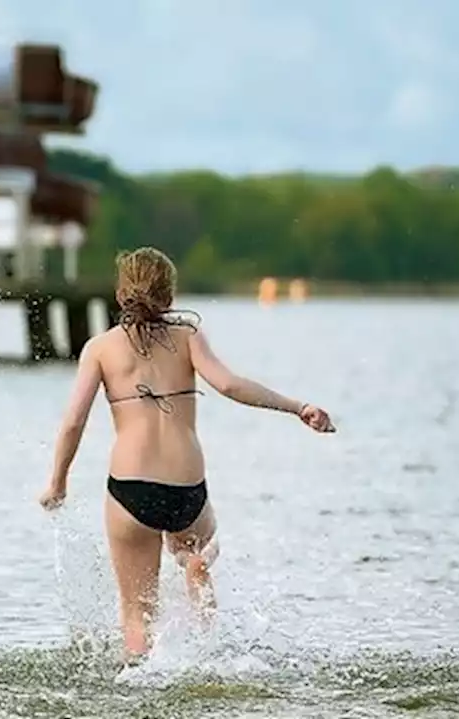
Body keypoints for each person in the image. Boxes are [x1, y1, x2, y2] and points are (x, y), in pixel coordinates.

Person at [38, 247, 335, 660]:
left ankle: (138, 678)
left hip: (130, 491)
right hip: (187, 488)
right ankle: (199, 594)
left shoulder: (100, 348)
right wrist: (297, 407)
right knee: (199, 551)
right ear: (170, 297)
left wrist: (58, 482)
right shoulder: (188, 337)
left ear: (121, 293)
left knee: (136, 611)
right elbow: (230, 385)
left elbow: (73, 422)